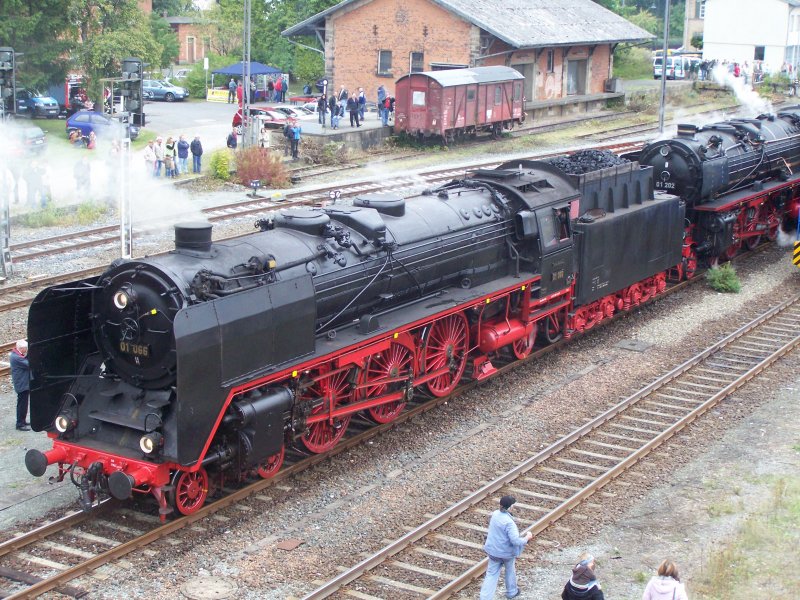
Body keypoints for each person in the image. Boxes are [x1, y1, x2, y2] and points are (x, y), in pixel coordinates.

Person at [479, 495, 532, 600]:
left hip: (493, 551)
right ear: (510, 507)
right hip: (506, 553)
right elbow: (515, 540)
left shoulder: (495, 514)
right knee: (510, 570)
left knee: (491, 574)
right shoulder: (509, 523)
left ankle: (485, 598)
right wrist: (527, 538)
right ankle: (512, 592)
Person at [10, 340, 30, 431]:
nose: (26, 350)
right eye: (26, 348)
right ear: (21, 348)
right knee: (22, 404)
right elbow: (28, 364)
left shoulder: (15, 355)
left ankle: (22, 420)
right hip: (22, 385)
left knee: (23, 404)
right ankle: (20, 424)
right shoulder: (17, 358)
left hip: (22, 384)